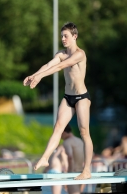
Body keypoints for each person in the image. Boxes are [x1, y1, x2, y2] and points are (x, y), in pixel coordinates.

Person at [23, 22, 93, 180]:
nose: (63, 38)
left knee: (84, 132)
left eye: (66, 36)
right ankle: (45, 157)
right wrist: (34, 75)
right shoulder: (61, 53)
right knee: (58, 128)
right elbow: (49, 64)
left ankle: (86, 170)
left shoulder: (79, 54)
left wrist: (41, 77)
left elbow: (61, 66)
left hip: (81, 97)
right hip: (68, 97)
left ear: (74, 36)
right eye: (62, 36)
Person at [61, 124, 86, 194]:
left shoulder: (67, 142)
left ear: (63, 132)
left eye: (60, 134)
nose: (60, 137)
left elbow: (70, 156)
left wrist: (69, 171)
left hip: (73, 172)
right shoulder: (80, 141)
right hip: (81, 171)